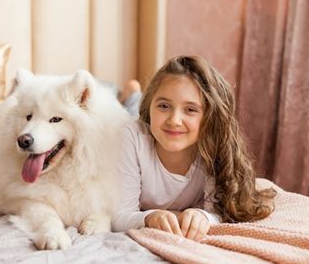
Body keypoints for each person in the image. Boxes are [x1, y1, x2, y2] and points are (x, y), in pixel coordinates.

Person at [112, 55, 276, 241]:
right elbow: (120, 216)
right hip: (136, 124)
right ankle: (132, 93)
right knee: (127, 113)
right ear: (150, 106)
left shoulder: (211, 148)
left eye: (190, 109)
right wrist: (149, 217)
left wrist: (203, 217)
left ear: (209, 116)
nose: (174, 120)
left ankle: (134, 93)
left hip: (159, 128)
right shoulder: (132, 136)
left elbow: (217, 211)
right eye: (164, 105)